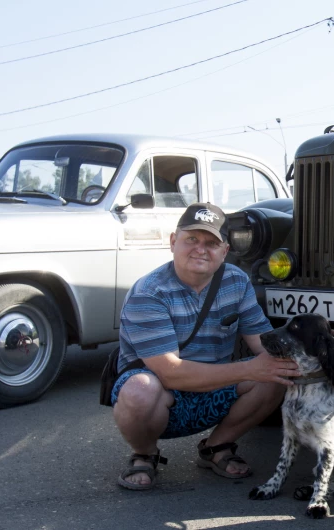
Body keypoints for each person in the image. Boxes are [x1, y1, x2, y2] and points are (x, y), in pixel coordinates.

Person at [111, 202, 308, 491]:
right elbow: (170, 373)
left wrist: (312, 353)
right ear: (173, 241)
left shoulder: (236, 281)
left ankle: (216, 448)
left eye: (212, 242)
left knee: (274, 374)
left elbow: (265, 345)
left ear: (225, 251)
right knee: (140, 388)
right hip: (161, 394)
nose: (200, 249)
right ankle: (145, 453)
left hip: (213, 390)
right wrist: (251, 368)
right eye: (192, 239)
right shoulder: (148, 293)